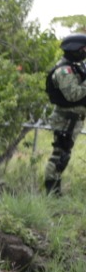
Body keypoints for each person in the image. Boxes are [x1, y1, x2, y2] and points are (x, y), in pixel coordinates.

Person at [42, 33, 86, 194]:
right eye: (83, 49)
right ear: (75, 49)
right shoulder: (64, 71)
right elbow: (72, 94)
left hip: (72, 119)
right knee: (59, 156)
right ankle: (52, 193)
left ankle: (55, 190)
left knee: (63, 154)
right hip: (66, 120)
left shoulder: (76, 66)